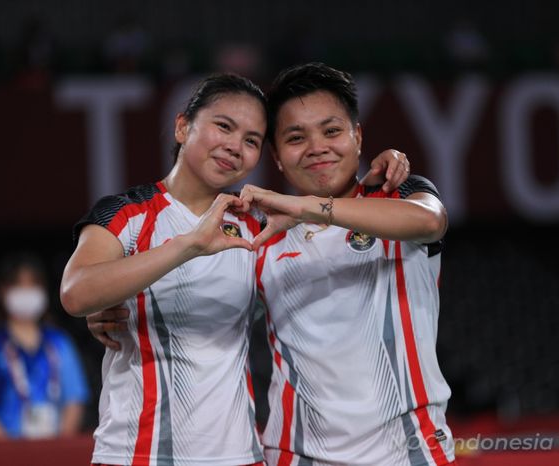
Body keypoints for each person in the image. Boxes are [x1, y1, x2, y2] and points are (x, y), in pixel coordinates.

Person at [61, 71, 409, 465]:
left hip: (241, 456)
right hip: (134, 454)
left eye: (251, 141)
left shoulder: (257, 228)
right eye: (223, 127)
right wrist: (188, 246)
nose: (234, 147)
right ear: (182, 127)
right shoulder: (127, 213)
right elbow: (76, 291)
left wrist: (387, 163)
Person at [237, 62, 457, 465]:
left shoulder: (399, 195)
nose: (317, 147)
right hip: (296, 454)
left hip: (410, 452)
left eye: (332, 131)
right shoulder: (260, 239)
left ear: (358, 137)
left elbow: (430, 221)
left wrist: (309, 209)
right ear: (278, 157)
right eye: (296, 137)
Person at [0, 253, 88, 439]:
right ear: (1, 291)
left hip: (51, 451)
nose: (26, 291)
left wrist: (59, 449)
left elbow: (74, 399)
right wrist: (8, 449)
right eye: (18, 284)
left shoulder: (60, 342)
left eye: (33, 284)